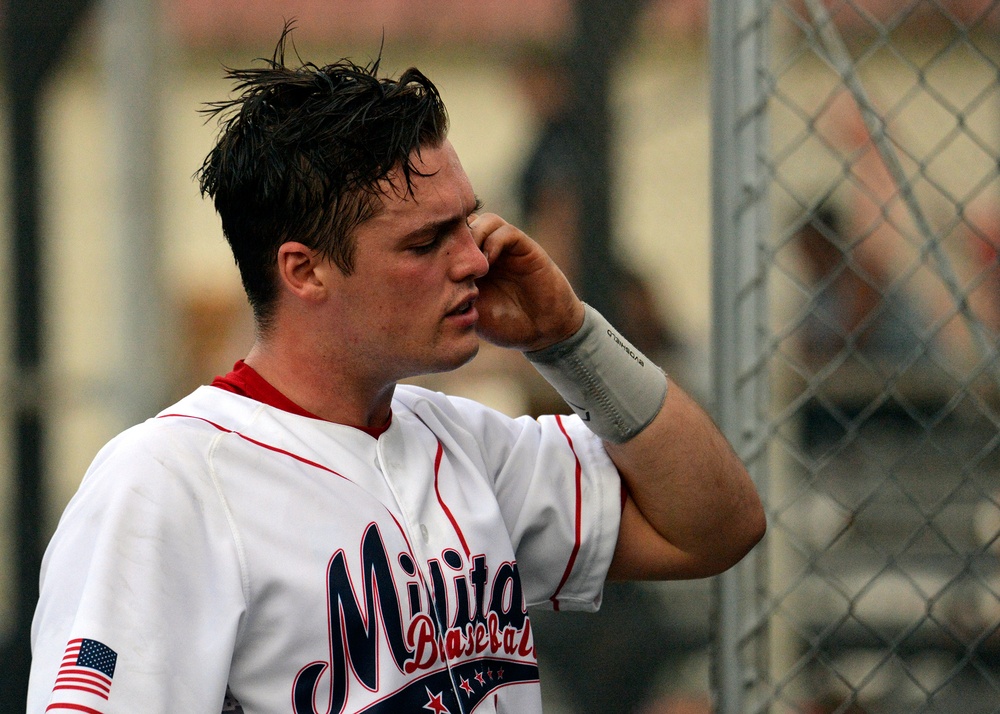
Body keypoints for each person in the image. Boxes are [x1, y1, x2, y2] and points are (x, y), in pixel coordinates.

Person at [27, 29, 764, 714]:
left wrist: (571, 338)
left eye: (468, 223)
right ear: (305, 270)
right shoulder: (167, 480)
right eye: (425, 242)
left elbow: (716, 527)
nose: (477, 259)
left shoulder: (468, 442)